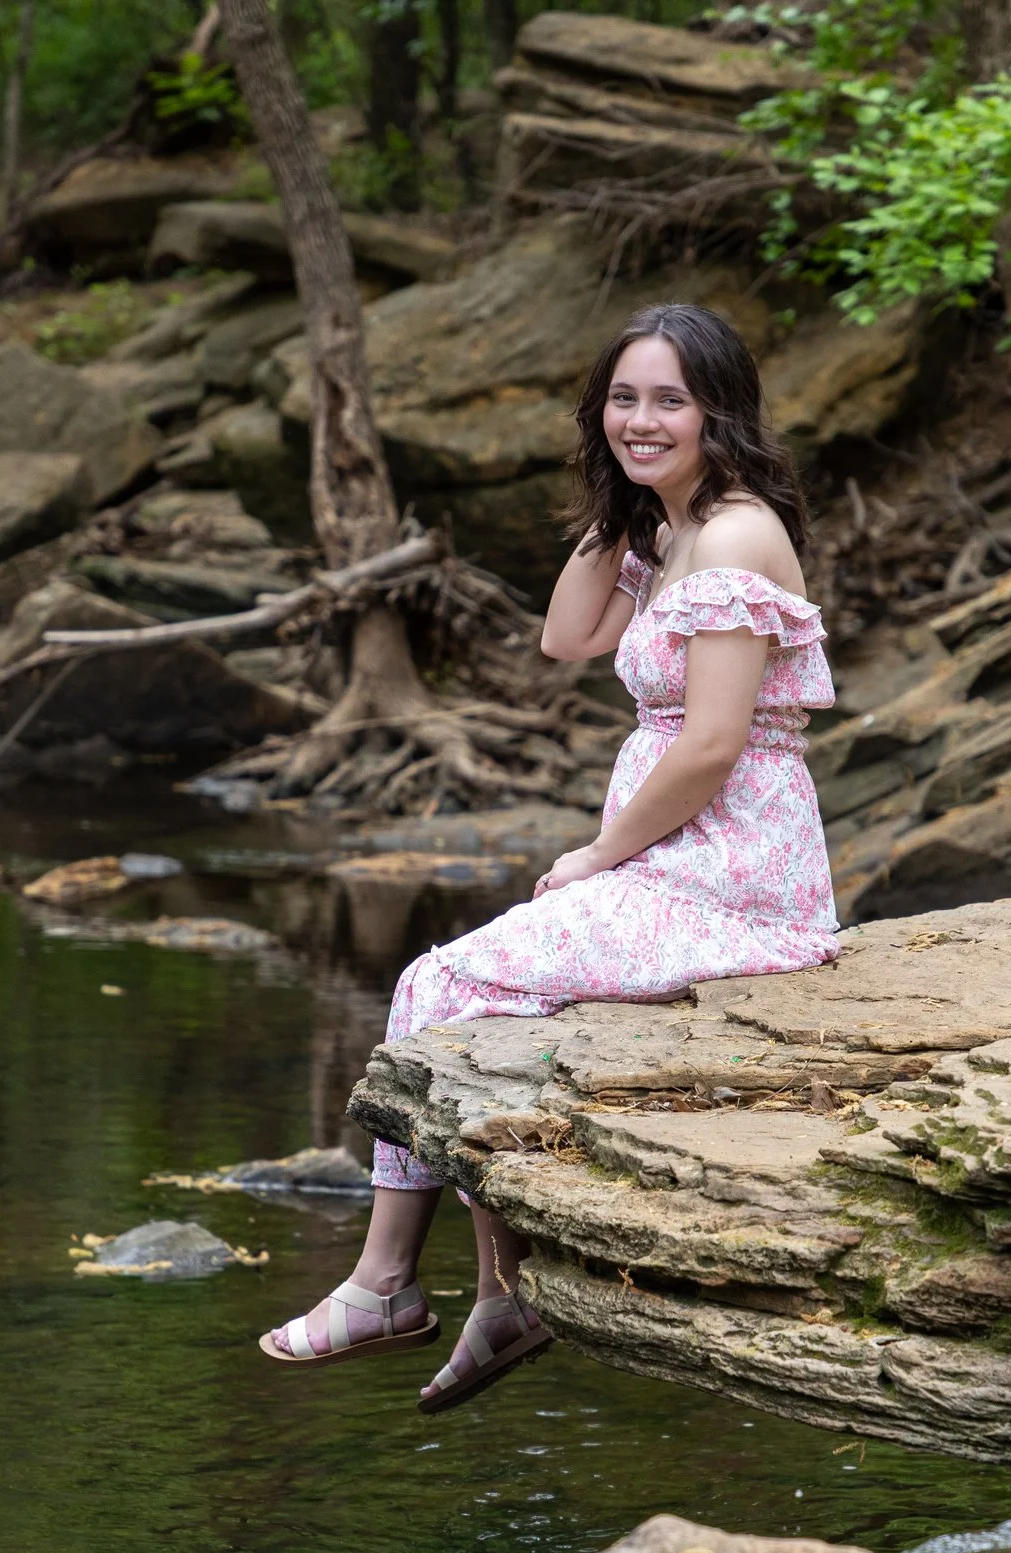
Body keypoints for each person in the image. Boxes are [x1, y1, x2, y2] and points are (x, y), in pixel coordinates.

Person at [258, 302, 839, 1411]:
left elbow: (714, 743)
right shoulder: (673, 531)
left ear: (721, 409)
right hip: (674, 852)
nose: (643, 417)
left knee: (443, 978)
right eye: (624, 398)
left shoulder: (735, 535)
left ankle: (390, 1281)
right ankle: (495, 1289)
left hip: (729, 869)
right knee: (474, 1003)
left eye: (670, 399)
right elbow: (565, 637)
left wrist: (597, 855)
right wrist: (621, 506)